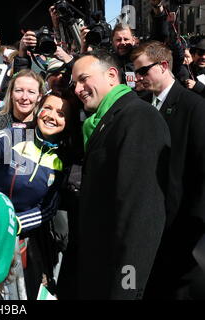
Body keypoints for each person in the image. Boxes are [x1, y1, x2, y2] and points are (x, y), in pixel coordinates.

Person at [57, 50, 170, 300]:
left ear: (111, 75)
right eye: (75, 83)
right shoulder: (99, 121)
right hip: (94, 269)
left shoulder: (139, 118)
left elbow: (140, 217)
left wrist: (127, 289)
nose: (78, 89)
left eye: (84, 79)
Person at [0, 90, 74, 299]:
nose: (51, 116)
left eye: (61, 113)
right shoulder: (10, 136)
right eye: (47, 107)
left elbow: (48, 208)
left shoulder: (63, 160)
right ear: (38, 110)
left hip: (19, 238)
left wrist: (15, 223)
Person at [131, 41, 205, 300]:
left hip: (181, 233)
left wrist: (193, 230)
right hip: (149, 228)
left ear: (163, 66)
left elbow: (201, 173)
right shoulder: (140, 104)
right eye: (136, 72)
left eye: (143, 71)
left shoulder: (194, 106)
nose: (138, 78)